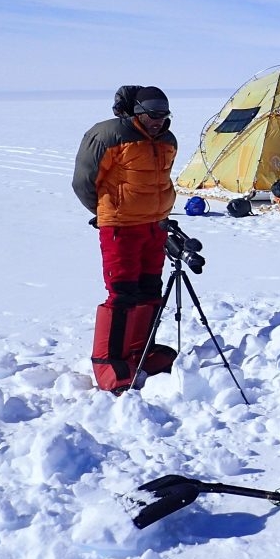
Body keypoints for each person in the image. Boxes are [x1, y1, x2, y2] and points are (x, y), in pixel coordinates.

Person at [72, 86, 179, 392]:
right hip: (120, 226)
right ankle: (109, 363)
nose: (158, 121)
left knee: (149, 289)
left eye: (163, 116)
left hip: (154, 225)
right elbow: (83, 180)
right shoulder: (108, 135)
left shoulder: (167, 140)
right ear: (137, 113)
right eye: (152, 115)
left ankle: (139, 352)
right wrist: (106, 211)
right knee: (122, 292)